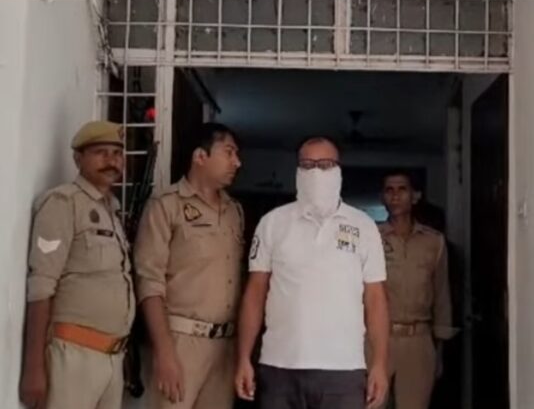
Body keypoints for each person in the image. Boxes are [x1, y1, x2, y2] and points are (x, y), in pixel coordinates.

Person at [235, 136, 390, 409]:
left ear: (339, 170)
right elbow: (255, 294)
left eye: (325, 164)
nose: (316, 172)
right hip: (280, 366)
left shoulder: (364, 226)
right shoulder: (272, 223)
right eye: (307, 165)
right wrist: (243, 358)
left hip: (344, 369)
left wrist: (379, 364)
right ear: (297, 170)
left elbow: (375, 300)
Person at [19, 121, 135, 409]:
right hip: (73, 357)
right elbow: (41, 285)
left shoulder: (112, 211)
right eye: (101, 152)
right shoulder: (63, 203)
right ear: (78, 158)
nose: (111, 161)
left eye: (117, 153)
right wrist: (33, 367)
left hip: (112, 357)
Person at [133, 122, 244, 409]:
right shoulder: (166, 206)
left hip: (225, 346)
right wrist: (164, 352)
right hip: (180, 342)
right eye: (229, 152)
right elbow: (149, 283)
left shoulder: (234, 212)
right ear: (200, 156)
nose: (237, 162)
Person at [374, 169, 456, 409]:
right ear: (382, 197)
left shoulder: (433, 242)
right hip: (377, 339)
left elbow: (441, 295)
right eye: (389, 190)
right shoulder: (371, 238)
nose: (395, 196)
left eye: (402, 189)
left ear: (415, 196)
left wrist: (439, 350)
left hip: (418, 341)